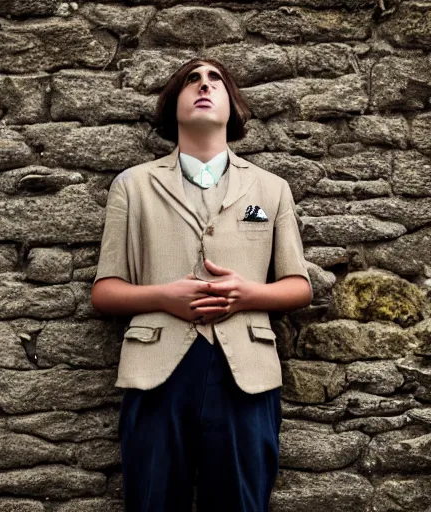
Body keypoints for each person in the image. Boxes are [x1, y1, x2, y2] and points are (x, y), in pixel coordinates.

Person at [91, 57, 313, 512]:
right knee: (152, 501)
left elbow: (299, 286)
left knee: (241, 501)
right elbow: (105, 291)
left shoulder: (271, 190)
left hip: (245, 374)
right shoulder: (133, 185)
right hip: (157, 371)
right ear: (174, 106)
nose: (203, 85)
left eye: (215, 80)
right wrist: (162, 297)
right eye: (192, 80)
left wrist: (248, 294)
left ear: (232, 106)